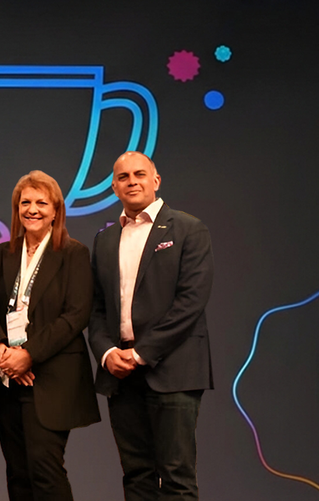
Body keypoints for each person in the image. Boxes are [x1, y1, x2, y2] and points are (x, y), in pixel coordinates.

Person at [86, 152, 213, 501]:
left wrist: (141, 353)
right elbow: (96, 308)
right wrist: (107, 353)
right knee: (136, 476)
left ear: (156, 181)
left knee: (176, 478)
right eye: (123, 177)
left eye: (139, 174)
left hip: (172, 370)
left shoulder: (189, 229)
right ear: (114, 188)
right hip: (121, 375)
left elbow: (191, 302)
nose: (132, 181)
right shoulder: (105, 239)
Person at [0, 171, 101, 501]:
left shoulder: (73, 253)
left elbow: (75, 315)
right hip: (6, 378)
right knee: (18, 474)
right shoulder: (2, 254)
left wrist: (27, 355)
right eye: (25, 202)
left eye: (41, 203)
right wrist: (2, 351)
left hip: (52, 379)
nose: (32, 209)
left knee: (45, 472)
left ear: (56, 210)